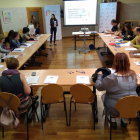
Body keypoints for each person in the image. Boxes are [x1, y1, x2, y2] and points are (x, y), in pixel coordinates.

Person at [95, 53, 138, 129]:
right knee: (126, 97)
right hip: (133, 107)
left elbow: (98, 87)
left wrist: (99, 76)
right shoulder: (133, 74)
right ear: (128, 62)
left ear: (115, 63)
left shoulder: (112, 78)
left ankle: (112, 119)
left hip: (115, 108)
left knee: (103, 96)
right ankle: (124, 120)